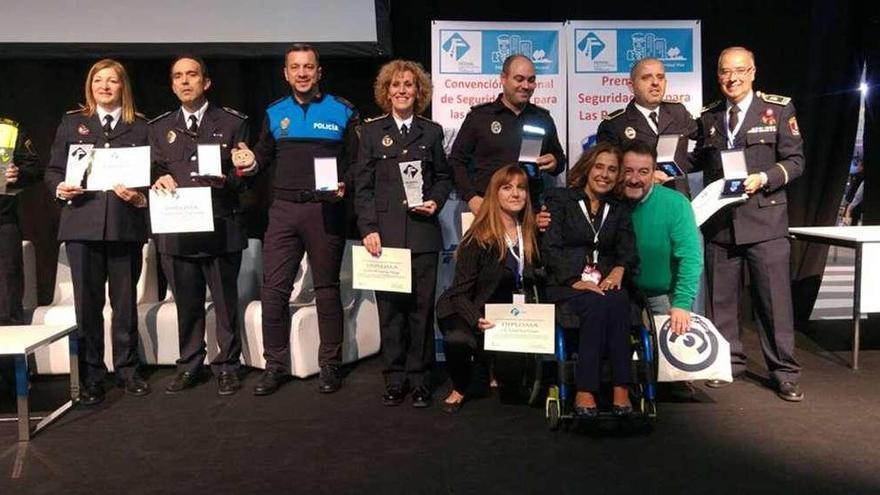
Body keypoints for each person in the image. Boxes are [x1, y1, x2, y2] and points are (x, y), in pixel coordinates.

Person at [241, 44, 359, 395]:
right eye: (296, 67)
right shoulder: (275, 112)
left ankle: (330, 365)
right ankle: (274, 366)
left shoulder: (343, 110)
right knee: (273, 289)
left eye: (309, 67)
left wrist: (345, 185)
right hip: (284, 210)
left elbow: (357, 163)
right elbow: (261, 156)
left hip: (325, 210)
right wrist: (248, 160)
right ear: (286, 73)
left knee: (326, 289)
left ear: (319, 72)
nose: (303, 73)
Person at [691, 46, 805, 402]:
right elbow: (697, 159)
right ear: (719, 75)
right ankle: (727, 363)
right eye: (725, 71)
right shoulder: (708, 116)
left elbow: (796, 161)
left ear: (753, 72)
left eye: (740, 70)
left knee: (773, 302)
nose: (732, 78)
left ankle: (784, 372)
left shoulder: (778, 109)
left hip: (765, 222)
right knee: (721, 302)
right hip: (722, 224)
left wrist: (764, 178)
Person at [45, 58, 151, 405]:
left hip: (124, 228)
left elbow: (154, 178)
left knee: (124, 305)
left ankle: (127, 370)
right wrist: (61, 187)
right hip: (82, 225)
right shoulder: (73, 123)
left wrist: (139, 197)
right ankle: (92, 376)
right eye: (98, 81)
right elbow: (53, 171)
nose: (105, 86)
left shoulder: (141, 127)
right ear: (90, 87)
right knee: (87, 306)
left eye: (112, 81)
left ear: (124, 87)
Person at [149, 55, 254, 396]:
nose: (184, 81)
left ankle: (227, 366)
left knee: (225, 304)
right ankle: (190, 364)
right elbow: (149, 173)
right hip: (177, 231)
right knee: (187, 304)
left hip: (221, 227)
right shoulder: (158, 127)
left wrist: (240, 172)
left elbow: (246, 181)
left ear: (205, 82)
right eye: (177, 76)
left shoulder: (232, 122)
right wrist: (157, 177)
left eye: (191, 75)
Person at [355, 60, 452, 408]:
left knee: (422, 311)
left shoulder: (432, 132)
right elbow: (362, 187)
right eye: (395, 85)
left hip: (424, 234)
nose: (401, 90)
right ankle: (395, 379)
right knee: (392, 312)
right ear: (386, 91)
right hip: (386, 237)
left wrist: (436, 202)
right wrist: (368, 229)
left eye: (408, 85)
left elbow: (444, 177)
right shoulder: (370, 133)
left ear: (418, 91)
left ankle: (421, 379)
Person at [543, 142, 638, 417]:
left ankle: (622, 386)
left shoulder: (619, 208)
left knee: (619, 299)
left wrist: (620, 269)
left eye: (612, 169)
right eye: (599, 167)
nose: (604, 175)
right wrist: (574, 279)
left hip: (605, 282)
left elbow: (628, 248)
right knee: (596, 304)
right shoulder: (561, 200)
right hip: (565, 284)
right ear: (587, 168)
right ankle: (585, 390)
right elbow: (550, 247)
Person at [435, 164, 540, 413]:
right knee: (458, 340)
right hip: (465, 308)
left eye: (521, 188)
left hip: (506, 312)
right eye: (507, 188)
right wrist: (476, 320)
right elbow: (459, 292)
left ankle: (489, 364)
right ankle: (459, 387)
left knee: (513, 388)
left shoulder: (531, 233)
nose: (515, 194)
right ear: (495, 194)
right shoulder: (478, 237)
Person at [621, 140, 703, 400]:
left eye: (643, 172)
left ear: (654, 172)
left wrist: (681, 304)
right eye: (628, 171)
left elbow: (690, 257)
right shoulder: (608, 201)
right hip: (620, 290)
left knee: (674, 367)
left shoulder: (675, 204)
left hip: (661, 293)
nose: (635, 179)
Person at [448, 54, 565, 220]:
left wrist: (554, 162)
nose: (526, 86)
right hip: (487, 209)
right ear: (503, 78)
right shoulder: (480, 117)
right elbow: (456, 161)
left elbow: (560, 160)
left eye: (531, 80)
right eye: (519, 79)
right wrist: (471, 197)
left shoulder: (543, 118)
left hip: (529, 212)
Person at [596, 58, 698, 197]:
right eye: (646, 78)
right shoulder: (615, 125)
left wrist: (682, 166)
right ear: (631, 86)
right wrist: (645, 177)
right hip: (636, 207)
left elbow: (706, 144)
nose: (655, 83)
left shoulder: (678, 113)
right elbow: (607, 173)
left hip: (678, 201)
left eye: (660, 77)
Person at [0, 118, 40, 326]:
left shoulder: (8, 129)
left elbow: (34, 169)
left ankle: (6, 358)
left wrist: (19, 174)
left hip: (3, 223)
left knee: (7, 301)